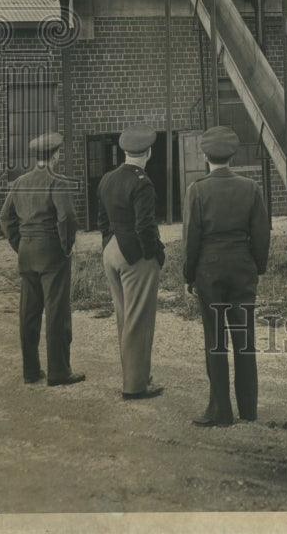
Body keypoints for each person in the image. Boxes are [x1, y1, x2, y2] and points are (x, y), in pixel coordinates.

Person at [184, 126, 270, 427]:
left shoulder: (197, 189)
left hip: (209, 269)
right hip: (243, 267)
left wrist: (188, 275)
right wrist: (257, 267)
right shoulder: (251, 187)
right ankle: (248, 409)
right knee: (244, 339)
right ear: (232, 155)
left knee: (215, 340)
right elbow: (262, 233)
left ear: (205, 156)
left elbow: (191, 237)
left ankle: (220, 412)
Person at [0, 132, 84, 386]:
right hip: (52, 255)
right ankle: (59, 371)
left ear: (36, 156)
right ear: (55, 155)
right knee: (57, 313)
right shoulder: (57, 182)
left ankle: (31, 371)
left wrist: (20, 244)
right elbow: (66, 218)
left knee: (28, 314)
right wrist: (66, 247)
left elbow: (5, 218)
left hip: (27, 253)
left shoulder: (20, 182)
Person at [97, 124, 165, 400]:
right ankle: (135, 387)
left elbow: (102, 220)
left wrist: (108, 244)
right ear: (147, 153)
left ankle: (135, 376)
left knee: (124, 317)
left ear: (125, 151)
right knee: (139, 320)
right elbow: (145, 226)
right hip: (134, 255)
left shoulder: (107, 179)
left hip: (112, 250)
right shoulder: (142, 182)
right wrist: (155, 254)